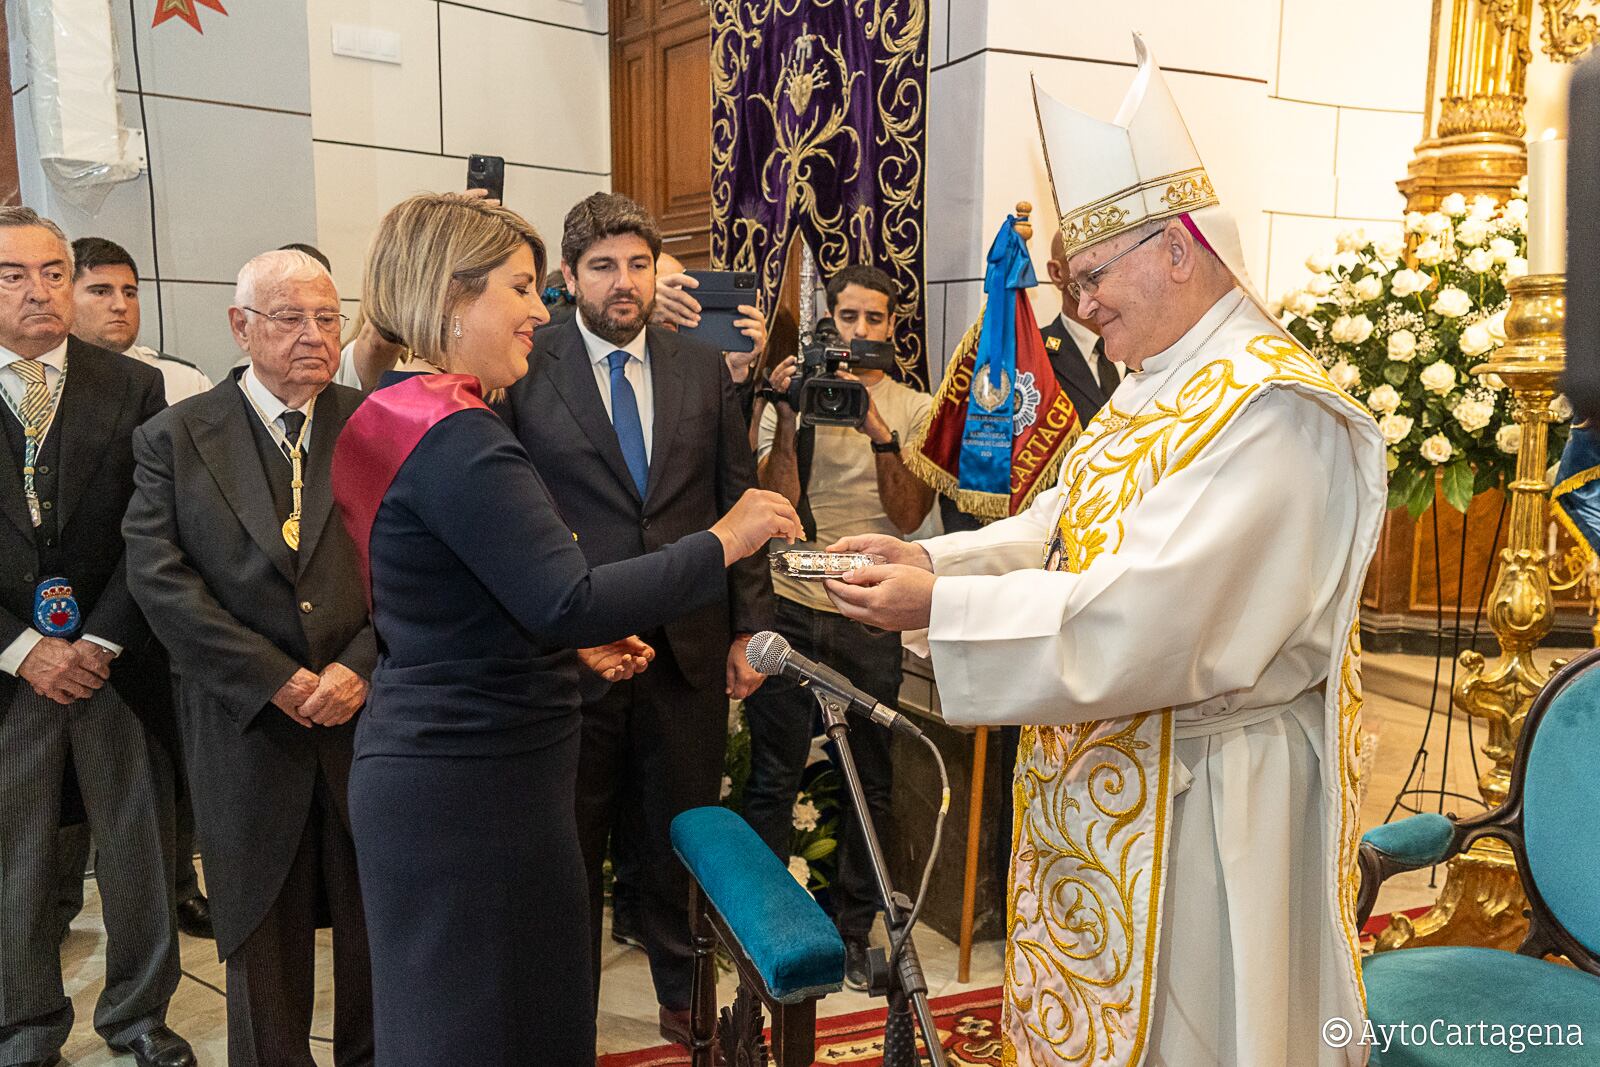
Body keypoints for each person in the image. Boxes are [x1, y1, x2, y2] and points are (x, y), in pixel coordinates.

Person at [824, 37, 1385, 1067]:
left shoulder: (1269, 408)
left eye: (1090, 276)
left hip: (1211, 802)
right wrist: (932, 565)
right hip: (1114, 768)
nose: (1078, 307)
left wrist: (939, 611)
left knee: (1195, 1026)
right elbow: (1060, 525)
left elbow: (1152, 613)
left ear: (1177, 246)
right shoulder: (1152, 381)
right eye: (1071, 282)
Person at [331, 192, 800, 1065]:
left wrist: (557, 632)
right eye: (516, 288)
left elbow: (446, 590)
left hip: (433, 751)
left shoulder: (390, 407)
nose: (534, 310)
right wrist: (724, 538)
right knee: (489, 1028)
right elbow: (567, 595)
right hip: (479, 779)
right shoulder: (461, 435)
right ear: (451, 297)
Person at [501, 192, 776, 1050]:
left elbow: (738, 499)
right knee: (570, 852)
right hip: (573, 651)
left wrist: (746, 628)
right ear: (569, 279)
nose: (624, 283)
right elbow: (508, 515)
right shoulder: (525, 364)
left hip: (687, 647)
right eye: (604, 266)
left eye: (639, 264)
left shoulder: (699, 366)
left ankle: (684, 996)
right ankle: (562, 1018)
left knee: (679, 842)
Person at [123, 249, 376, 1067]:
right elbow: (158, 579)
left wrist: (359, 667)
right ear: (241, 326)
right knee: (262, 938)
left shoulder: (375, 423)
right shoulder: (176, 435)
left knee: (376, 922)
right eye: (289, 318)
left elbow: (418, 566)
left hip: (360, 720)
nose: (313, 335)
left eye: (328, 318)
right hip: (244, 726)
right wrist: (275, 678)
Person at [0, 206, 194, 1067]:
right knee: (19, 862)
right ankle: (25, 1026)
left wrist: (102, 640)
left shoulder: (130, 386)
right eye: (13, 275)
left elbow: (153, 529)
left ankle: (139, 1016)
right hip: (12, 672)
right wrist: (24, 649)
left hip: (114, 662)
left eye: (52, 272)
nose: (39, 291)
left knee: (137, 853)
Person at [744, 263, 933, 989]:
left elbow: (911, 514)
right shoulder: (790, 402)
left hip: (869, 607)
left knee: (870, 783)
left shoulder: (913, 409)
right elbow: (772, 503)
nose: (858, 332)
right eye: (845, 318)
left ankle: (852, 931)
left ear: (891, 328)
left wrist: (876, 427)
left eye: (872, 319)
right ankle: (764, 927)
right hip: (790, 603)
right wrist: (792, 415)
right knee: (773, 773)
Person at [63, 234, 212, 943]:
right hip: (51, 625)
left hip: (145, 612)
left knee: (159, 777)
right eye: (100, 290)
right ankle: (55, 904)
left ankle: (179, 887)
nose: (120, 305)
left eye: (129, 291)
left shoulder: (175, 379)